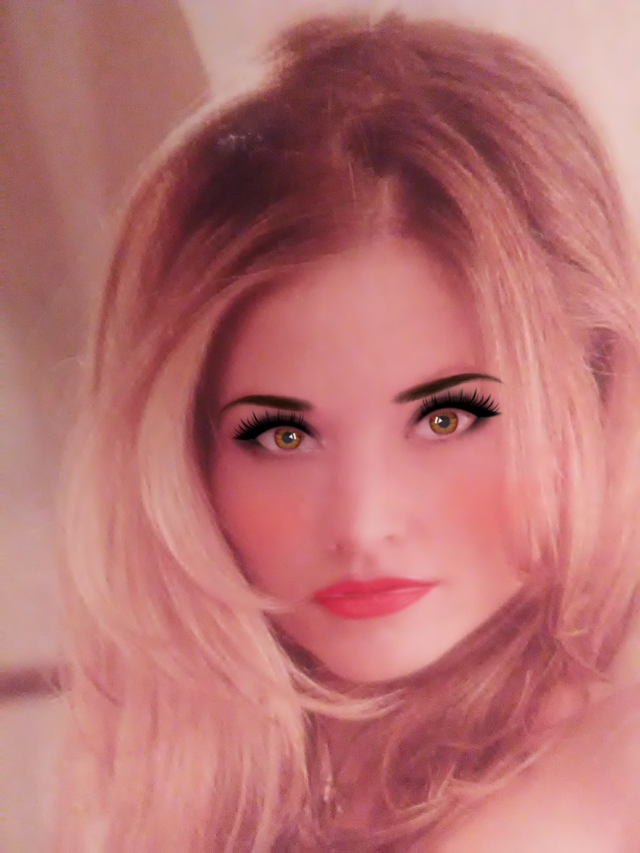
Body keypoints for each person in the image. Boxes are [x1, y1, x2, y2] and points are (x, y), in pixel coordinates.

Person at [58, 13, 640, 852]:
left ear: (596, 386)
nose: (362, 523)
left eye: (447, 418)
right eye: (282, 436)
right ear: (188, 457)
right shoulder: (195, 786)